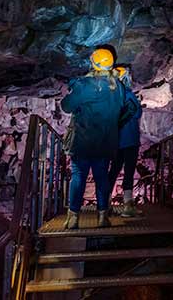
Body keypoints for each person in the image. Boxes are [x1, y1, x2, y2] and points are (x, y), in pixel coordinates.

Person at [61, 44, 133, 229]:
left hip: (84, 141)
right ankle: (102, 217)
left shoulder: (85, 86)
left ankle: (73, 218)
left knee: (78, 177)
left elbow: (66, 106)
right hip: (106, 142)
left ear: (93, 63)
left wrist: (75, 88)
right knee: (101, 178)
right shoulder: (117, 87)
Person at [106, 64, 142, 217]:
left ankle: (104, 203)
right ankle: (128, 205)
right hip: (131, 140)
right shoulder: (128, 94)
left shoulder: (110, 96)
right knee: (128, 171)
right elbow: (137, 113)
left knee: (113, 171)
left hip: (116, 141)